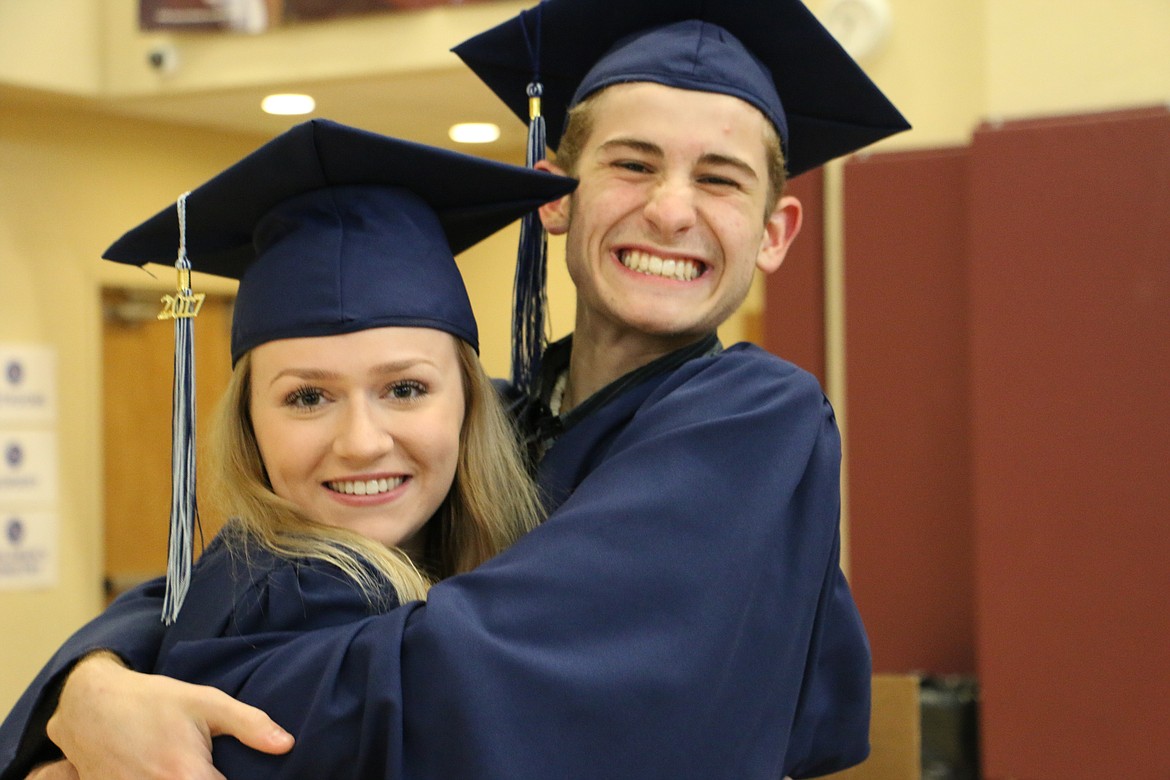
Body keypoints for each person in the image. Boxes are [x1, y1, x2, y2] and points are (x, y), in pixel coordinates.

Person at [0, 1, 910, 778]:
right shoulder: (494, 426)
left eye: (720, 179)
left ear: (776, 231)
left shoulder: (754, 419)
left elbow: (479, 681)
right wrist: (95, 683)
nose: (672, 210)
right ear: (553, 195)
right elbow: (217, 579)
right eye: (633, 164)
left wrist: (187, 713)